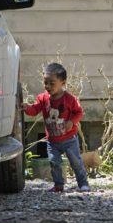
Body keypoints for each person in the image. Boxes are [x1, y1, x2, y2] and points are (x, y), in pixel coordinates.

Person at [23, 63, 90, 192]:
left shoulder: (69, 99)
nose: (48, 86)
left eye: (52, 83)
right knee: (54, 162)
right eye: (45, 83)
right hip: (52, 141)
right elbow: (34, 110)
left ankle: (83, 184)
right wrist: (27, 108)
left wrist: (72, 121)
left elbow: (79, 112)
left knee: (76, 162)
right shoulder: (43, 99)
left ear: (63, 83)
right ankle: (58, 185)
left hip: (69, 139)